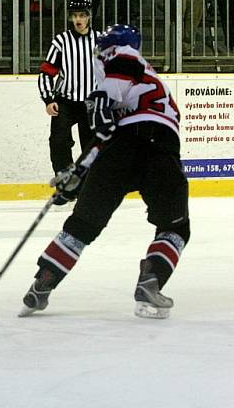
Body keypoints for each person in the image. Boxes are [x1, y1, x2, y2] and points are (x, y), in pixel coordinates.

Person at [20, 24, 189, 320]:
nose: (98, 52)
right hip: (159, 149)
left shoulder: (123, 58)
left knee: (83, 224)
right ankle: (151, 279)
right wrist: (80, 168)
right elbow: (109, 121)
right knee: (175, 227)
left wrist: (80, 169)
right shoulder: (137, 69)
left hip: (122, 148)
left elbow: (106, 123)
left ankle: (43, 282)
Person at [37, 0, 98, 199]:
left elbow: (110, 72)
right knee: (59, 141)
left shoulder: (100, 40)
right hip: (65, 101)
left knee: (90, 147)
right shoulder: (61, 41)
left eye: (82, 15)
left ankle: (86, 185)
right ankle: (65, 183)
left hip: (91, 103)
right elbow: (46, 72)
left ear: (89, 17)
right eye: (74, 16)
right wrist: (48, 99)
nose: (78, 20)